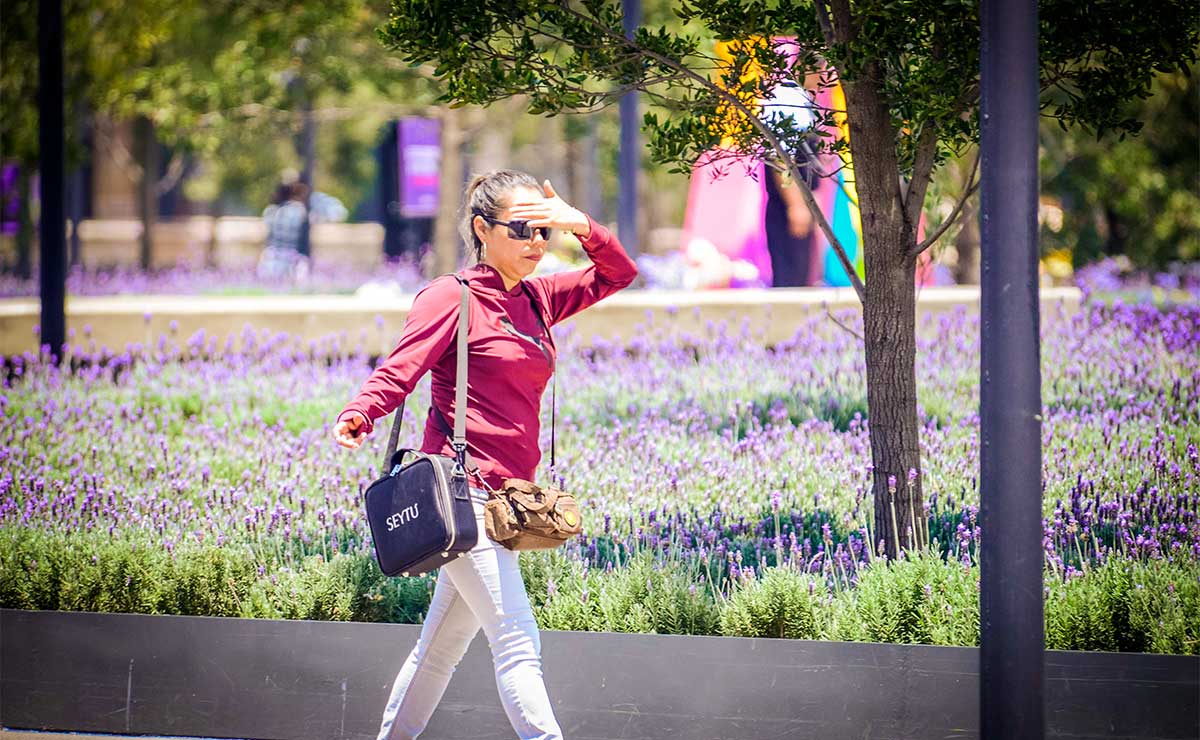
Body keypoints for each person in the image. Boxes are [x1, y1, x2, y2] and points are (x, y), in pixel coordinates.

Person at [331, 169, 638, 740]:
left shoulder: (539, 299)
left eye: (543, 232)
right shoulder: (452, 296)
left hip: (509, 504)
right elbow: (401, 368)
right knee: (517, 638)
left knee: (437, 652)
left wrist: (580, 225)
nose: (536, 243)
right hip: (461, 493)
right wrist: (361, 412)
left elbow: (619, 272)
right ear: (482, 228)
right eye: (522, 229)